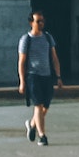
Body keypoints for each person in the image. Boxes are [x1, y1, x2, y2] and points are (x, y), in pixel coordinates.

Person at [17, 11, 63, 146]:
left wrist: (58, 76)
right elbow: (22, 61)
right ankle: (42, 136)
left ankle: (31, 124)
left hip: (47, 76)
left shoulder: (48, 38)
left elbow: (54, 58)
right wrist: (22, 81)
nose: (40, 24)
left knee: (46, 107)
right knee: (38, 105)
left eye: (42, 21)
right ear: (31, 23)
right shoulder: (26, 39)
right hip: (33, 76)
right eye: (38, 21)